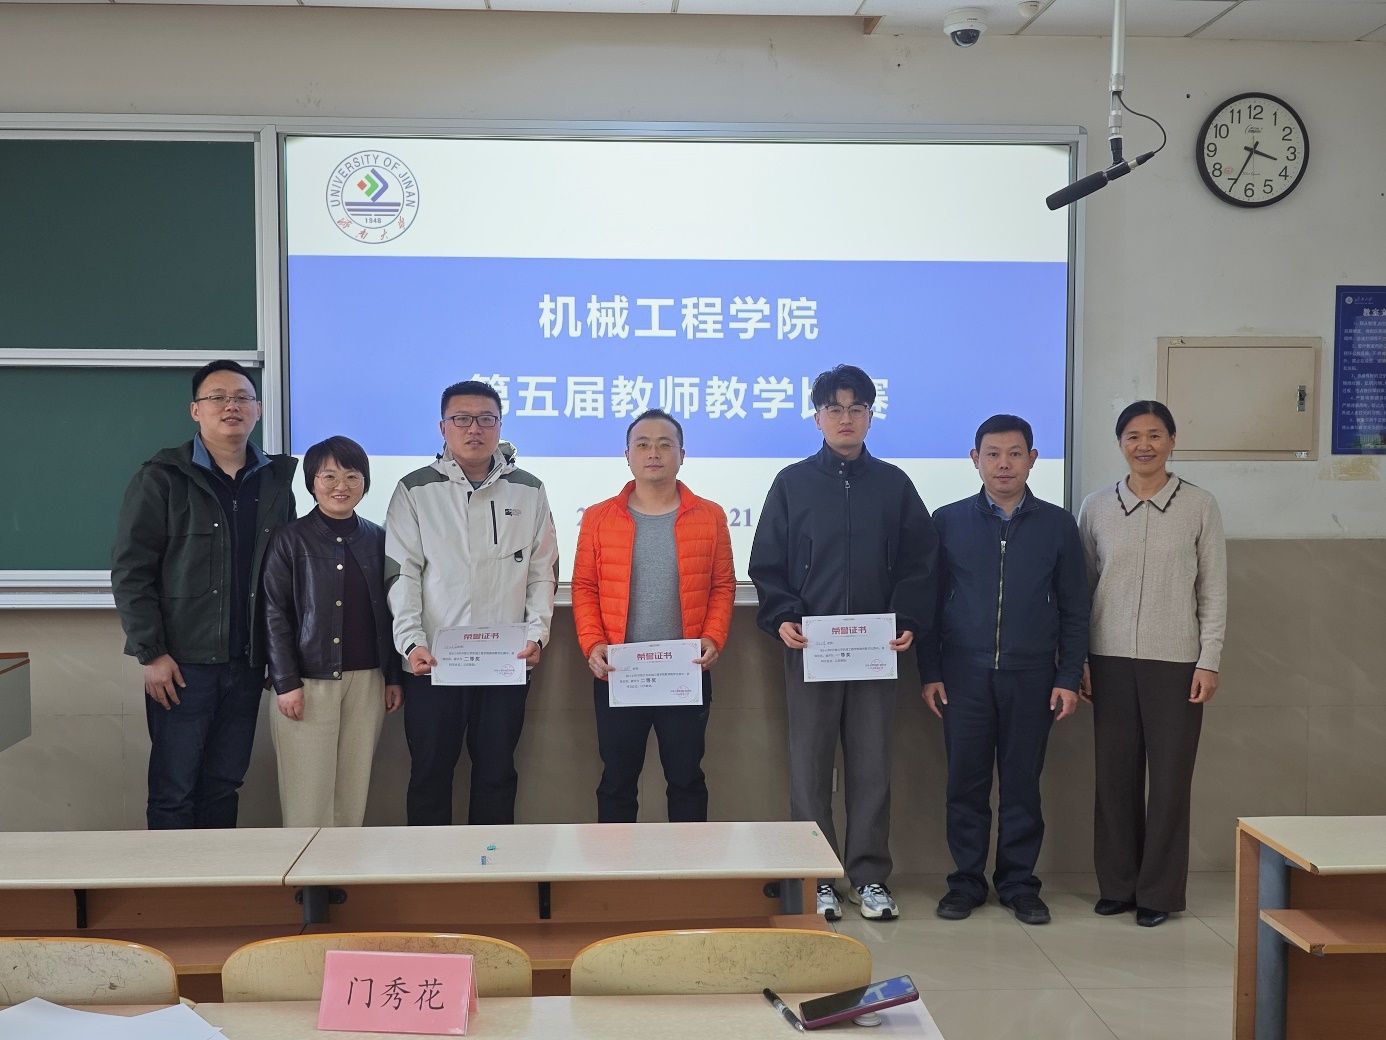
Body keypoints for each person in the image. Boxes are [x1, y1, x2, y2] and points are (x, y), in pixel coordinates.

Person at [748, 364, 938, 921]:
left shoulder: (895, 485)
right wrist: (782, 615)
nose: (846, 418)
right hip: (811, 647)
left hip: (878, 650)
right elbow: (767, 563)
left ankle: (869, 876)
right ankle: (817, 877)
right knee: (809, 765)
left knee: (872, 765)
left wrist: (907, 619)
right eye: (834, 408)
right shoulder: (792, 483)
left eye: (857, 408)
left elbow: (920, 563)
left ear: (871, 416)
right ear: (818, 417)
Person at [112, 359, 297, 829]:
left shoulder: (277, 481)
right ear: (196, 410)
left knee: (223, 785)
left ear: (257, 410)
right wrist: (152, 653)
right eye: (217, 397)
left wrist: (280, 655)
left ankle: (216, 877)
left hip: (247, 662)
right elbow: (132, 571)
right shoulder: (162, 477)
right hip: (181, 665)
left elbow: (286, 574)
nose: (231, 406)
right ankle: (171, 880)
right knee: (173, 790)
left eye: (242, 397)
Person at [918, 414, 1089, 926]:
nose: (1003, 464)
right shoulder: (947, 521)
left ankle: (1018, 884)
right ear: (975, 459)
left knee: (1021, 786)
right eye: (992, 454)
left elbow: (1075, 608)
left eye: (1015, 453)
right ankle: (966, 882)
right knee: (965, 785)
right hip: (963, 676)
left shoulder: (1058, 525)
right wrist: (931, 671)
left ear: (1033, 459)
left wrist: (1067, 676)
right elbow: (928, 606)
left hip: (1032, 676)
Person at [1078, 400, 1226, 928]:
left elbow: (1213, 590)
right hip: (1109, 659)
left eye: (1155, 435)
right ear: (1120, 443)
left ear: (1172, 441)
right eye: (1134, 436)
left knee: (1169, 782)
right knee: (1114, 778)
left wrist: (1208, 660)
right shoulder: (1097, 506)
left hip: (1177, 664)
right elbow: (1082, 590)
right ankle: (1117, 886)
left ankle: (1159, 893)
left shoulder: (1199, 506)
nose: (1144, 445)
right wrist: (1081, 659)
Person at [385, 379, 559, 826]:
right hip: (432, 662)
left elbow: (542, 571)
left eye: (486, 419)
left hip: (506, 661)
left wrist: (537, 635)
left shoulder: (529, 490)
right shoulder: (414, 489)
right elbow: (402, 574)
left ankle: (493, 863)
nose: (474, 428)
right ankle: (430, 868)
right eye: (462, 419)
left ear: (500, 425)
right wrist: (411, 643)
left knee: (497, 773)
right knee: (430, 774)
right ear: (443, 426)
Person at [572, 408, 735, 823]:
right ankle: (616, 864)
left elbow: (722, 586)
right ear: (627, 455)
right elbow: (585, 587)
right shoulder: (598, 517)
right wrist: (592, 644)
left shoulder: (710, 515)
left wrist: (713, 637)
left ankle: (688, 864)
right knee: (617, 781)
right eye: (642, 444)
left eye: (665, 444)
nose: (654, 453)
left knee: (686, 779)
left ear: (682, 454)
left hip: (685, 670)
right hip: (619, 670)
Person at [262, 435, 404, 827]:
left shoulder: (378, 538)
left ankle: (343, 866)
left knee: (352, 792)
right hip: (308, 682)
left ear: (365, 482)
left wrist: (393, 677)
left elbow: (392, 612)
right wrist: (285, 682)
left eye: (352, 476)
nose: (341, 485)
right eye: (329, 476)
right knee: (307, 796)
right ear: (312, 482)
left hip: (368, 681)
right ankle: (309, 868)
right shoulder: (289, 539)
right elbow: (274, 614)